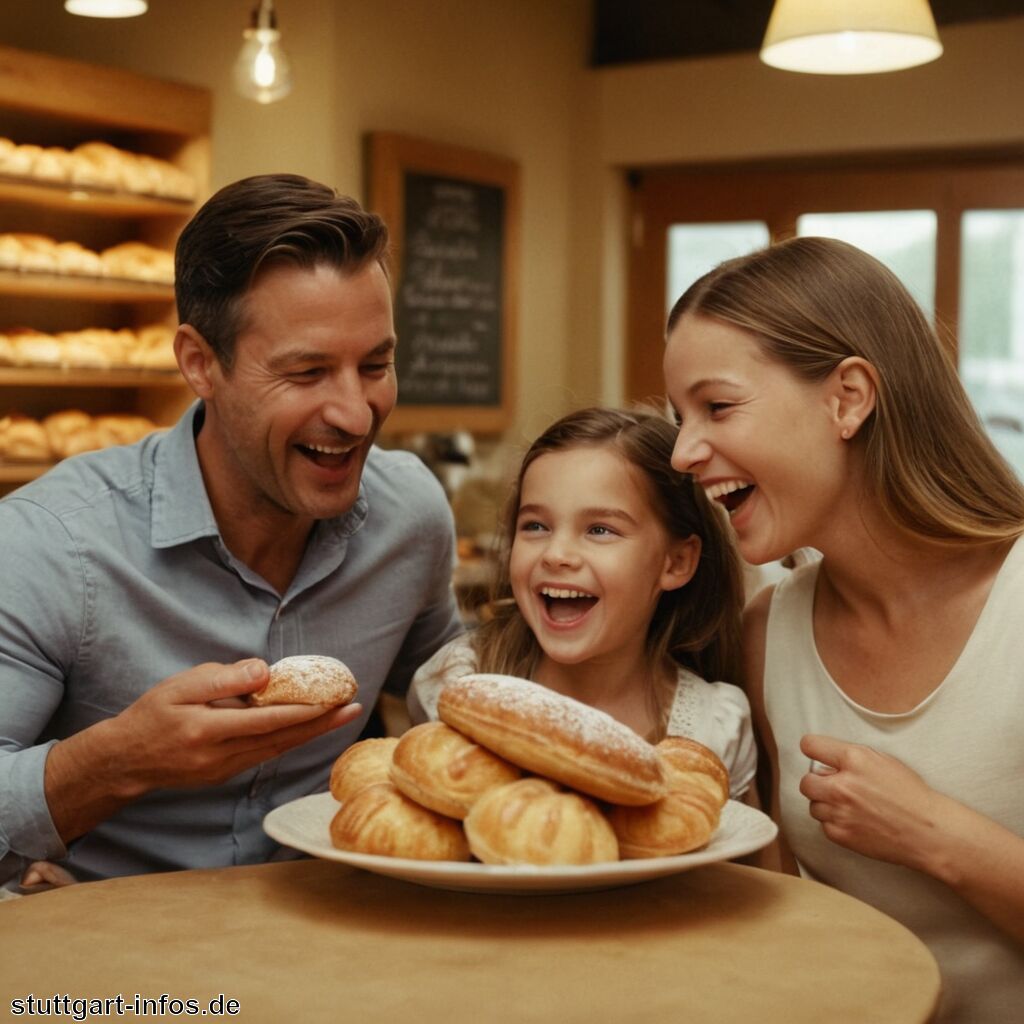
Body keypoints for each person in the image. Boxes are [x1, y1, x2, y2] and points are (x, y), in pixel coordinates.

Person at [0, 173, 463, 886]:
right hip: (114, 967)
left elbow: (448, 703)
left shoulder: (412, 517)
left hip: (335, 948)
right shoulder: (51, 544)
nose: (356, 412)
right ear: (199, 363)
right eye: (307, 372)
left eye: (376, 365)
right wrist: (117, 761)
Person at [663, 235, 1024, 1023]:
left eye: (717, 407)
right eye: (679, 417)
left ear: (849, 397)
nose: (685, 452)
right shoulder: (768, 633)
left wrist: (934, 833)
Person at [409, 406, 756, 798]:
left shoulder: (716, 729)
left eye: (600, 530)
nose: (556, 554)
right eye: (536, 526)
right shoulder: (456, 685)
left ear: (675, 562)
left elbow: (748, 859)